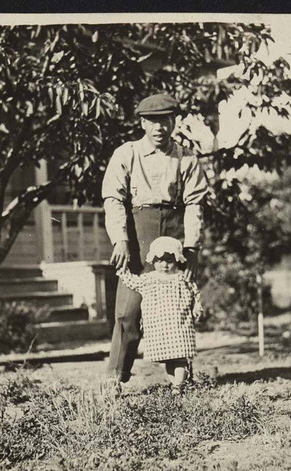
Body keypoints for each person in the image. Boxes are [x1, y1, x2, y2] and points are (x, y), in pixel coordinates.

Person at [102, 93, 208, 388]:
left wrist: (192, 248)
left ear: (174, 121)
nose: (159, 127)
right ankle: (116, 379)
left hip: (173, 236)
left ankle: (180, 380)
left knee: (176, 307)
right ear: (142, 123)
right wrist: (119, 240)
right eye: (152, 121)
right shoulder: (127, 153)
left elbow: (195, 205)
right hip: (137, 233)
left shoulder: (186, 158)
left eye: (165, 120)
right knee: (128, 310)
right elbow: (113, 199)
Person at [116, 237, 203, 394]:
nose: (164, 265)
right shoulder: (149, 279)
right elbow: (132, 282)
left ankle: (179, 385)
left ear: (177, 260)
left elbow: (195, 292)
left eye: (169, 260)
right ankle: (175, 384)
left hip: (180, 325)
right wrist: (123, 270)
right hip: (160, 327)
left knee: (181, 357)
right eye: (160, 260)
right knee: (169, 358)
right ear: (153, 261)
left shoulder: (182, 277)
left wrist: (197, 306)